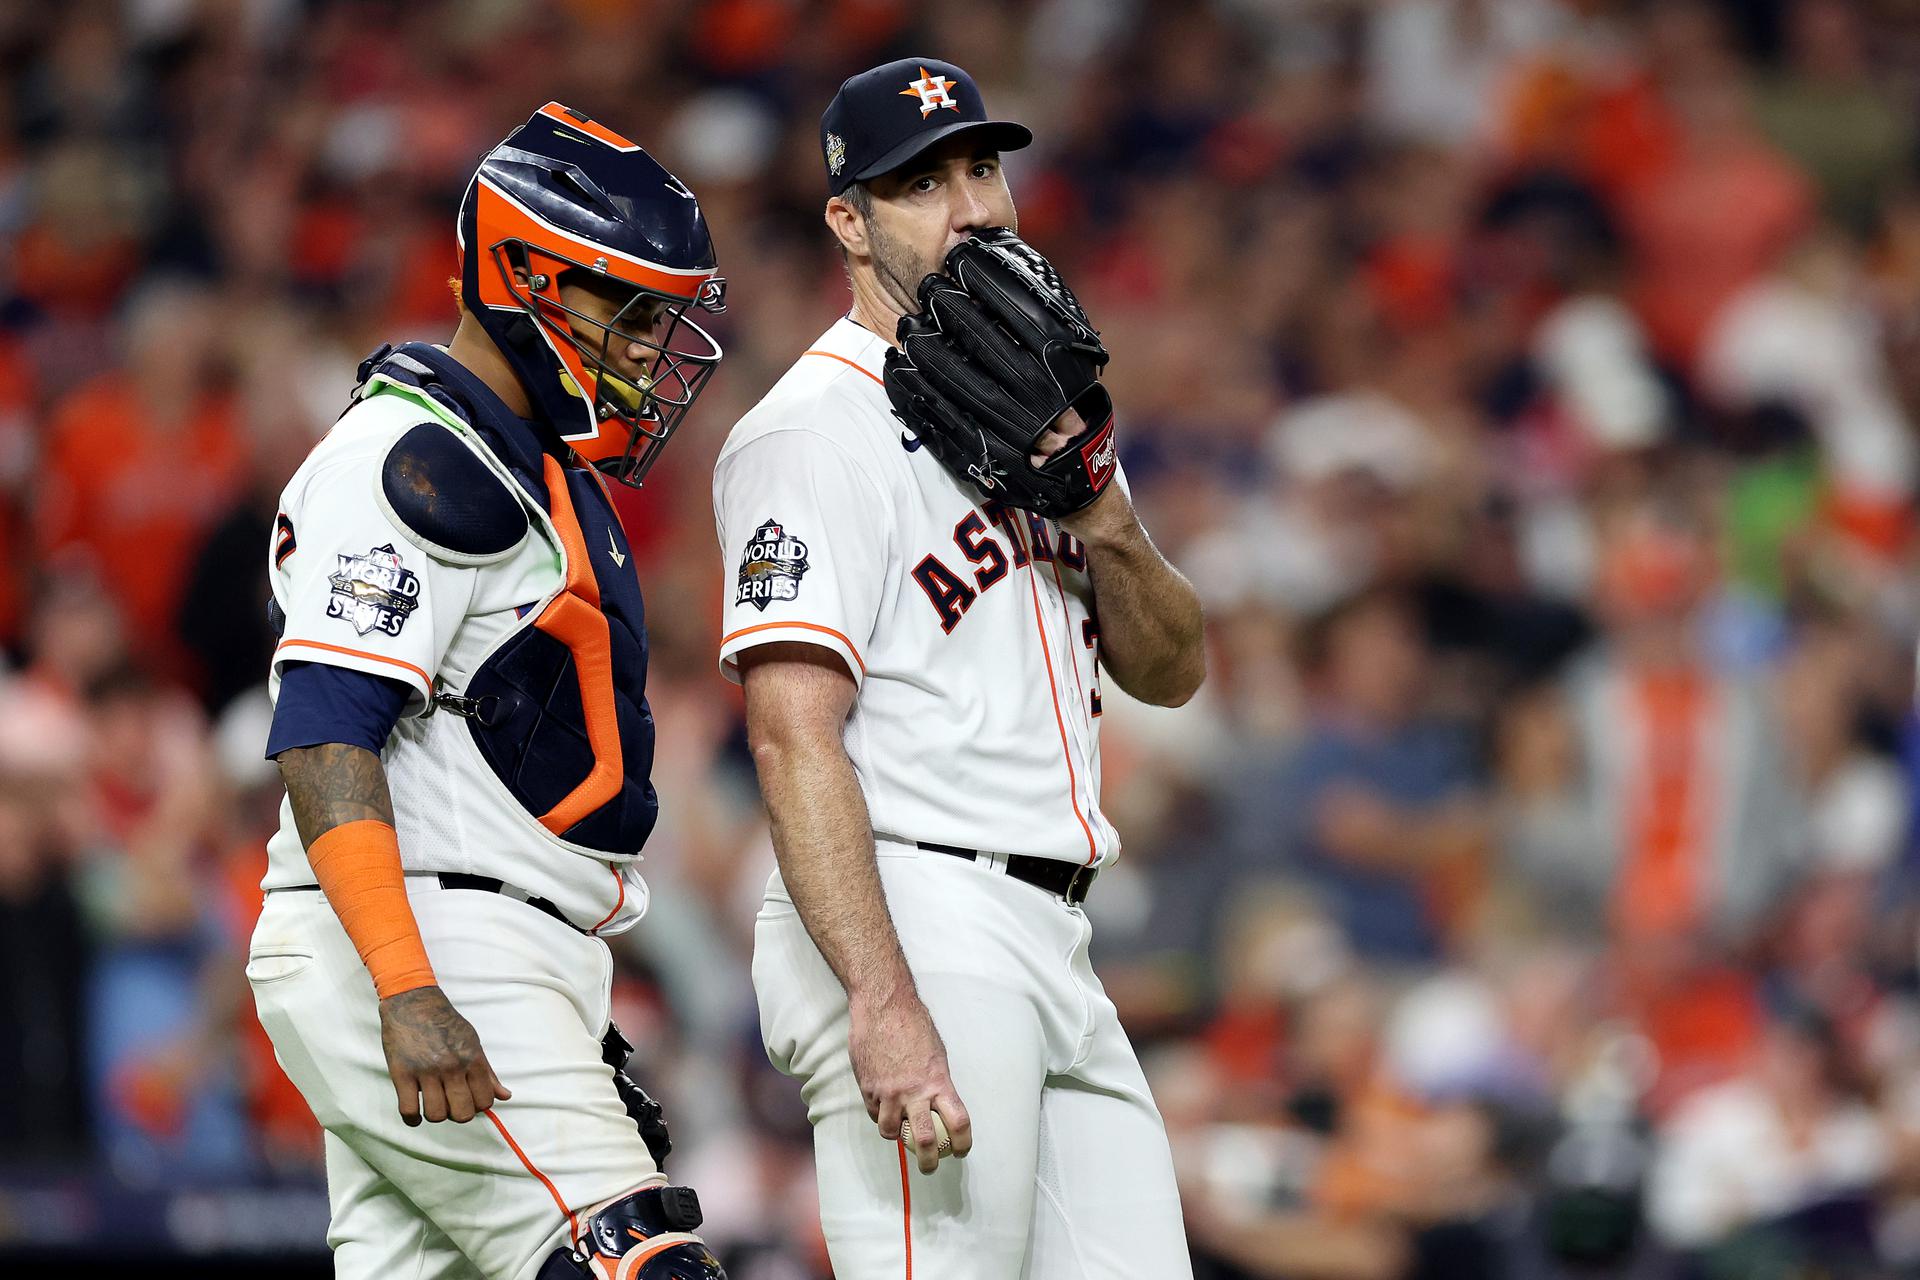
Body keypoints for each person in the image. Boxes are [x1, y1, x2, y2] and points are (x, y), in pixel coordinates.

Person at [713, 57, 1207, 1278]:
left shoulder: (1041, 397)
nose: (974, 205)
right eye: (922, 181)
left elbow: (1174, 668)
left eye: (983, 167)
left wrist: (1104, 517)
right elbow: (791, 736)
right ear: (848, 218)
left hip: (1056, 927)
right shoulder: (806, 435)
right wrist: (879, 996)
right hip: (916, 907)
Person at [248, 103, 731, 1280]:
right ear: (524, 275)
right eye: (622, 307)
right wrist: (412, 986)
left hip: (488, 934)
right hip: (429, 933)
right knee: (639, 1266)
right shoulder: (408, 460)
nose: (645, 345)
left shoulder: (523, 465)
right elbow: (324, 733)